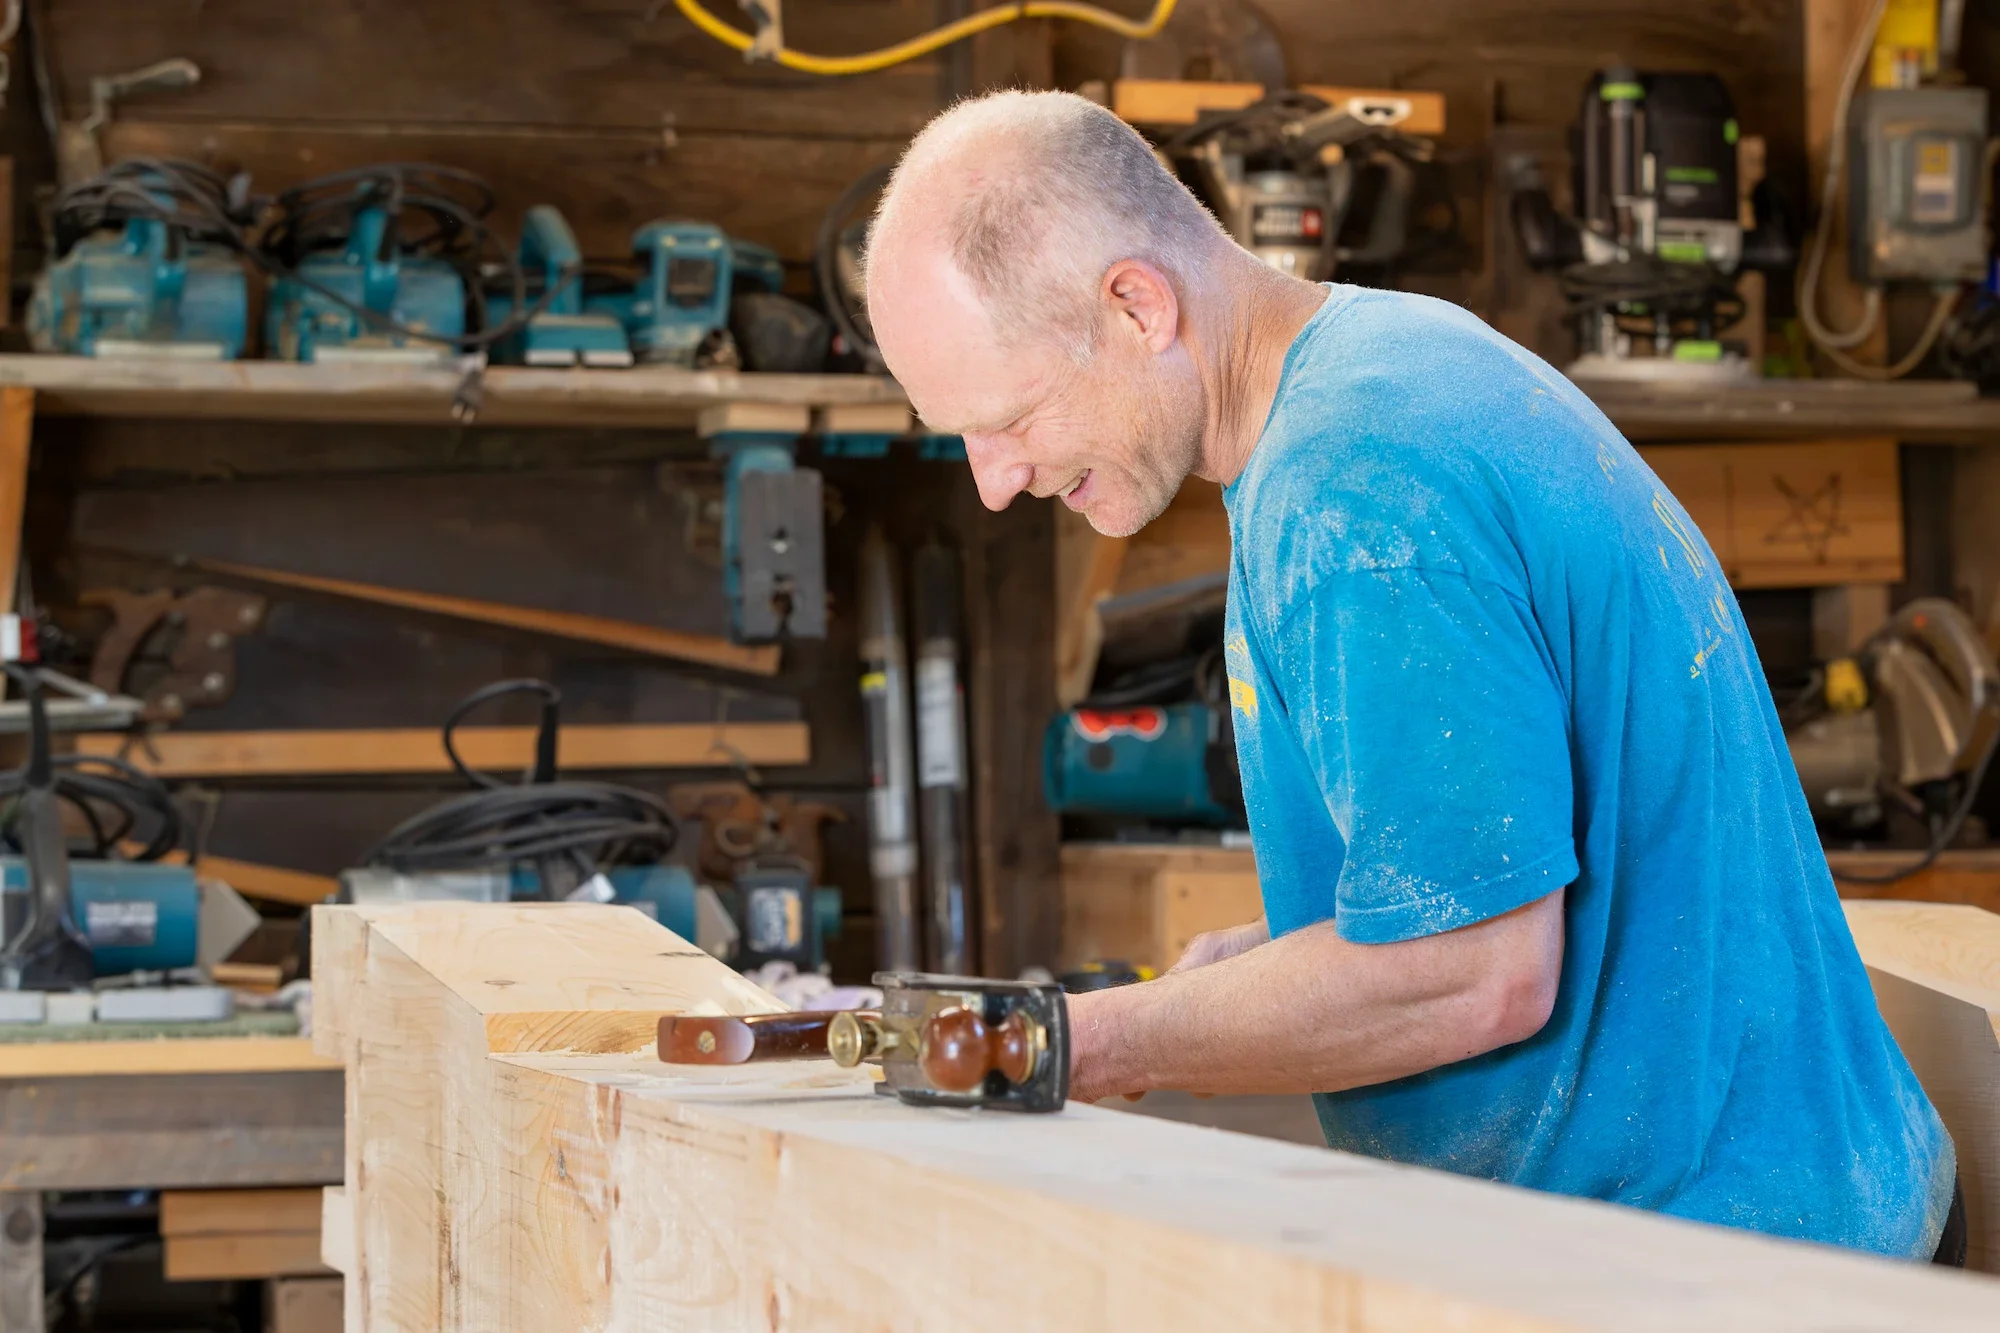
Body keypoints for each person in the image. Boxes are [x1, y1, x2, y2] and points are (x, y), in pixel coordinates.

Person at [861, 89, 1961, 1261]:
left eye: (1008, 417)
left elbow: (1475, 972)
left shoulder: (1352, 491)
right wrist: (1280, 963)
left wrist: (1084, 1042)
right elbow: (1488, 855)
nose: (991, 480)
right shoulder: (1381, 367)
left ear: (1134, 303)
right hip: (1786, 1212)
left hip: (1741, 1266)